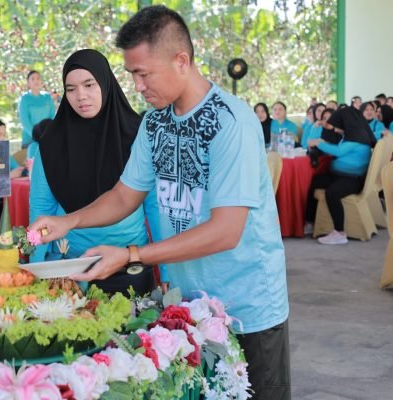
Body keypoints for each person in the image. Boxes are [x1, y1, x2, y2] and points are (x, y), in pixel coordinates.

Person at [30, 6, 289, 399]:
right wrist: (70, 222)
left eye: (143, 73)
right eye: (132, 74)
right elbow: (124, 195)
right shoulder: (155, 123)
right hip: (187, 308)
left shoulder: (230, 122)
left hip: (245, 309)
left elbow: (225, 231)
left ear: (181, 61)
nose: (136, 86)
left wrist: (133, 254)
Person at [30, 49, 153, 295]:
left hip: (129, 263)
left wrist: (168, 272)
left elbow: (156, 206)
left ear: (105, 84)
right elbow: (41, 208)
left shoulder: (138, 135)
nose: (81, 96)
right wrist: (36, 268)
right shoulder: (52, 142)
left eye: (89, 85)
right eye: (71, 89)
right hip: (71, 268)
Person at [304, 106, 376, 244]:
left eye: (337, 126)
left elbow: (338, 151)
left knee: (332, 193)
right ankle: (310, 221)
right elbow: (335, 142)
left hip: (353, 179)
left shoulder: (357, 138)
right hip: (341, 175)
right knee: (314, 182)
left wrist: (318, 143)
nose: (336, 129)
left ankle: (339, 232)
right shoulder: (353, 135)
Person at [18, 70, 56, 148]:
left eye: (38, 78)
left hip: (47, 139)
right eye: (33, 79)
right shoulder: (24, 98)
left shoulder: (47, 97)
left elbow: (52, 117)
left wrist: (47, 134)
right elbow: (25, 121)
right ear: (28, 83)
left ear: (41, 81)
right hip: (29, 141)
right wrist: (36, 136)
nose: (36, 81)